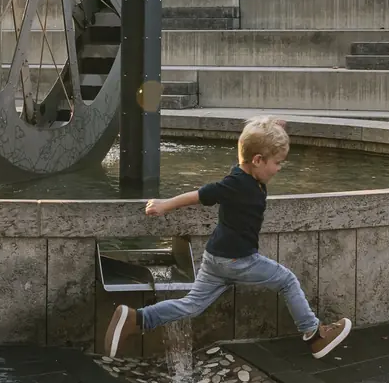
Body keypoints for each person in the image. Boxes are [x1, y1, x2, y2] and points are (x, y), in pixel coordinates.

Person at [105, 116, 353, 360]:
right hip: (238, 261)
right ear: (257, 160)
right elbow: (201, 195)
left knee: (191, 305)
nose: (279, 168)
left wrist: (273, 129)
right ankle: (314, 334)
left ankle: (137, 318)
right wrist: (165, 204)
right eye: (277, 163)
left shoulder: (244, 173)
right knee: (287, 280)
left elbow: (251, 144)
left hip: (216, 258)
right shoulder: (236, 184)